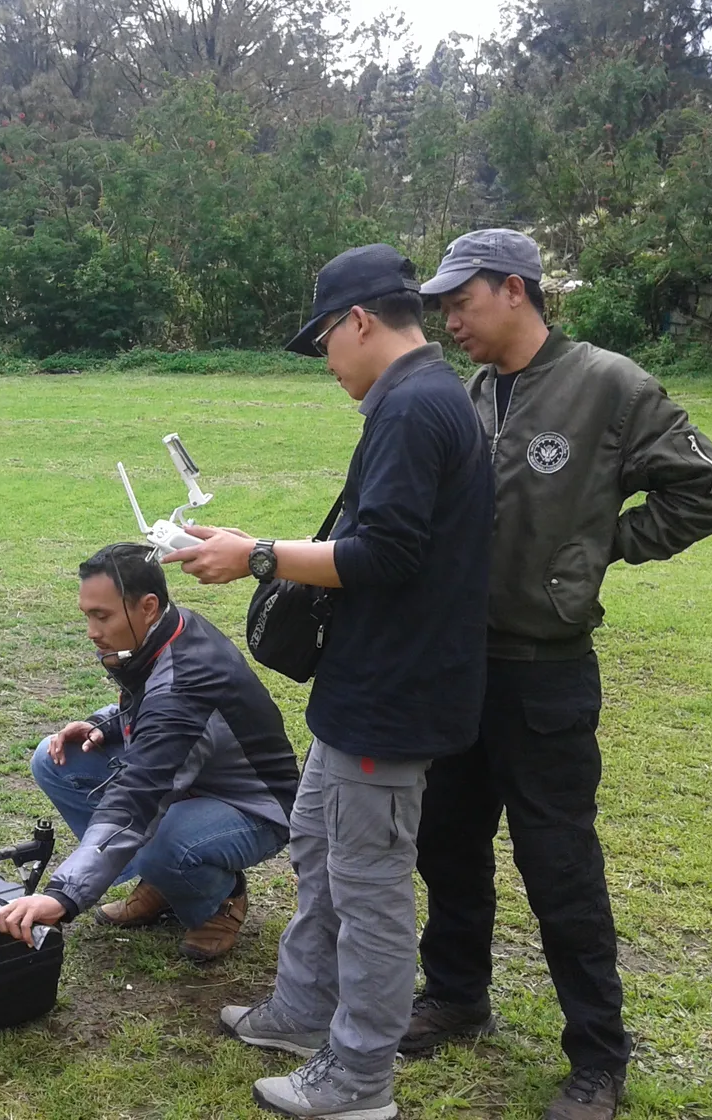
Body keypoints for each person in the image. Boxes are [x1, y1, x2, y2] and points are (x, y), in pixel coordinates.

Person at [406, 229, 712, 1120]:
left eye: (461, 300)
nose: (449, 319)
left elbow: (708, 487)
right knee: (447, 841)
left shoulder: (610, 386)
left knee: (560, 867)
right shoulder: (473, 393)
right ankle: (456, 994)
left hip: (546, 674)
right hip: (460, 668)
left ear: (515, 290)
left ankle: (598, 1058)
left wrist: (601, 550)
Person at [167, 244, 493, 1120]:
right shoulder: (419, 397)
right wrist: (255, 547)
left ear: (358, 321)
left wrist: (259, 557)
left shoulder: (416, 407)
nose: (326, 364)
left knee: (370, 886)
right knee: (319, 846)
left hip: (393, 699)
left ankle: (358, 1080)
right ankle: (304, 1013)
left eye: (324, 343)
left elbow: (384, 554)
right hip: (367, 688)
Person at [0, 544, 299, 962]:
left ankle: (221, 900)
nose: (91, 631)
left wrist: (63, 896)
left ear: (148, 606)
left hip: (253, 806)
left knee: (158, 841)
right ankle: (160, 882)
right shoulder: (165, 629)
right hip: (193, 778)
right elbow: (156, 710)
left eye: (102, 616)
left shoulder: (188, 678)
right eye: (87, 614)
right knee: (55, 761)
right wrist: (107, 724)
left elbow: (139, 794)